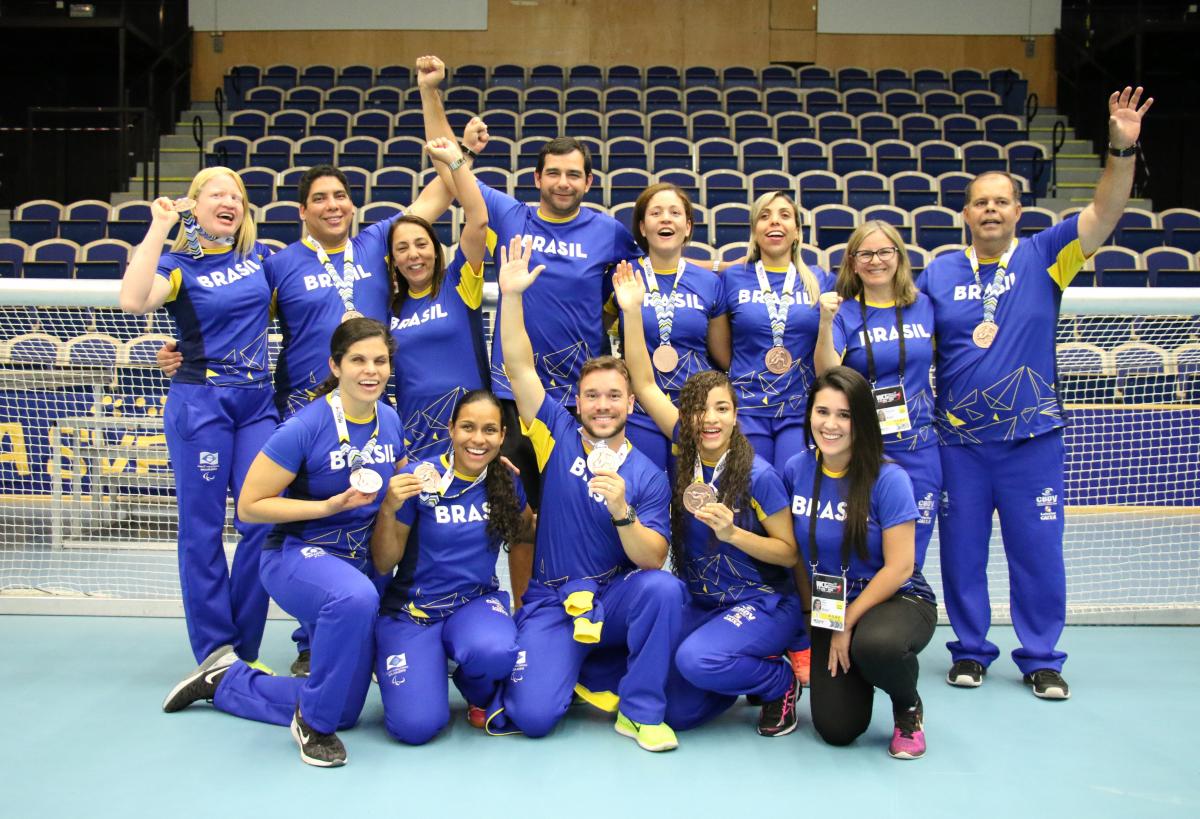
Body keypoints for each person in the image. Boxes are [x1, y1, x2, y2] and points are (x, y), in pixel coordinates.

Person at [921, 87, 1152, 699]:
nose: (991, 211)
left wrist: (1121, 151)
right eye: (980, 204)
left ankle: (1042, 656)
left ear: (1019, 211)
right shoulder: (939, 270)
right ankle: (970, 650)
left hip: (1032, 441)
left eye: (1001, 202)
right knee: (962, 555)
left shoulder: (1049, 256)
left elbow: (1104, 214)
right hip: (959, 444)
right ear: (965, 215)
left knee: (1038, 554)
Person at [160, 318, 405, 768]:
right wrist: (326, 507)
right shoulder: (304, 426)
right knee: (355, 598)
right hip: (295, 555)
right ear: (336, 365)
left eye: (379, 360)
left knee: (345, 710)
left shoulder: (389, 420)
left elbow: (400, 474)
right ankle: (311, 725)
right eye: (358, 361)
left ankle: (225, 682)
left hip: (353, 561)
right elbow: (250, 506)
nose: (370, 370)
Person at [489, 235, 685, 752]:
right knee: (532, 717)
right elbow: (519, 367)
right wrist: (511, 297)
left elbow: (654, 559)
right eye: (592, 396)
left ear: (629, 405)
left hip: (614, 593)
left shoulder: (646, 473)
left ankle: (640, 712)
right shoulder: (552, 428)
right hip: (554, 598)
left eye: (614, 396)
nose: (602, 405)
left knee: (664, 591)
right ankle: (581, 667)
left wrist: (623, 512)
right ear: (576, 400)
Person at [611, 262, 802, 737]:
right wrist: (631, 312)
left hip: (762, 602)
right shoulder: (682, 449)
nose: (709, 418)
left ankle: (778, 681)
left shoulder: (759, 475)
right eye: (699, 408)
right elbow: (645, 381)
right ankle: (734, 667)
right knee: (671, 706)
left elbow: (789, 552)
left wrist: (733, 533)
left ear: (736, 415)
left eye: (722, 408)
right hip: (704, 602)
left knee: (697, 660)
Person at [119, 167, 277, 672]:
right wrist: (158, 227)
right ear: (195, 205)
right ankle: (214, 650)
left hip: (257, 403)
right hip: (202, 403)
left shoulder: (261, 257)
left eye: (237, 195)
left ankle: (243, 650)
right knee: (203, 529)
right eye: (217, 193)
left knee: (263, 522)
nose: (229, 201)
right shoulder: (177, 263)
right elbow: (132, 301)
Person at [710, 190, 834, 685]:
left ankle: (805, 631)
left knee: (797, 523)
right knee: (750, 519)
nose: (775, 222)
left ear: (798, 230)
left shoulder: (817, 280)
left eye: (785, 215)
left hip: (800, 417)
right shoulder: (731, 279)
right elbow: (721, 351)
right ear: (754, 229)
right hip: (750, 414)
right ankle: (759, 621)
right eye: (765, 215)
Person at [784, 366, 936, 759]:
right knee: (837, 729)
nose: (830, 424)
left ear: (862, 421)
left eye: (844, 415)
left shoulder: (889, 479)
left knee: (878, 646)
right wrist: (810, 615)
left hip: (894, 597)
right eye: (822, 412)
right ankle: (862, 674)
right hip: (829, 605)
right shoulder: (796, 469)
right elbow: (796, 555)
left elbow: (900, 567)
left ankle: (907, 706)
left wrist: (847, 623)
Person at [371, 390, 533, 744]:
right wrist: (388, 507)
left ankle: (474, 686)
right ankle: (420, 663)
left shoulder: (505, 482)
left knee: (497, 651)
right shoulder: (418, 478)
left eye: (490, 430)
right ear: (450, 429)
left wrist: (523, 605)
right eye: (468, 428)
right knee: (416, 728)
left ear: (503, 436)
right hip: (413, 612)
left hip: (473, 605)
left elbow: (526, 535)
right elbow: (384, 561)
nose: (478, 439)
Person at [814, 221, 939, 596]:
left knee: (908, 552)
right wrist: (824, 322)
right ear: (852, 263)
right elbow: (827, 372)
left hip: (919, 446)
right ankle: (852, 623)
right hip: (863, 449)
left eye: (885, 251)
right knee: (856, 544)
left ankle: (896, 625)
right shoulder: (845, 313)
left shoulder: (926, 306)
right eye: (865, 254)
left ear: (899, 257)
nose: (876, 261)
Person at [601, 183, 727, 471]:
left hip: (695, 411)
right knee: (647, 498)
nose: (666, 218)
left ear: (688, 226)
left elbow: (721, 356)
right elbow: (604, 326)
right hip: (639, 412)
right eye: (656, 213)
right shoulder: (621, 276)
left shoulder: (710, 283)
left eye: (675, 212)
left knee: (692, 502)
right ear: (643, 228)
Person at [388, 137, 490, 462]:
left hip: (471, 429)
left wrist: (460, 160)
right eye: (402, 249)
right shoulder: (386, 305)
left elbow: (478, 220)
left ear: (436, 248)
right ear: (392, 259)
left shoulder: (460, 282)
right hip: (413, 432)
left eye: (421, 244)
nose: (413, 255)